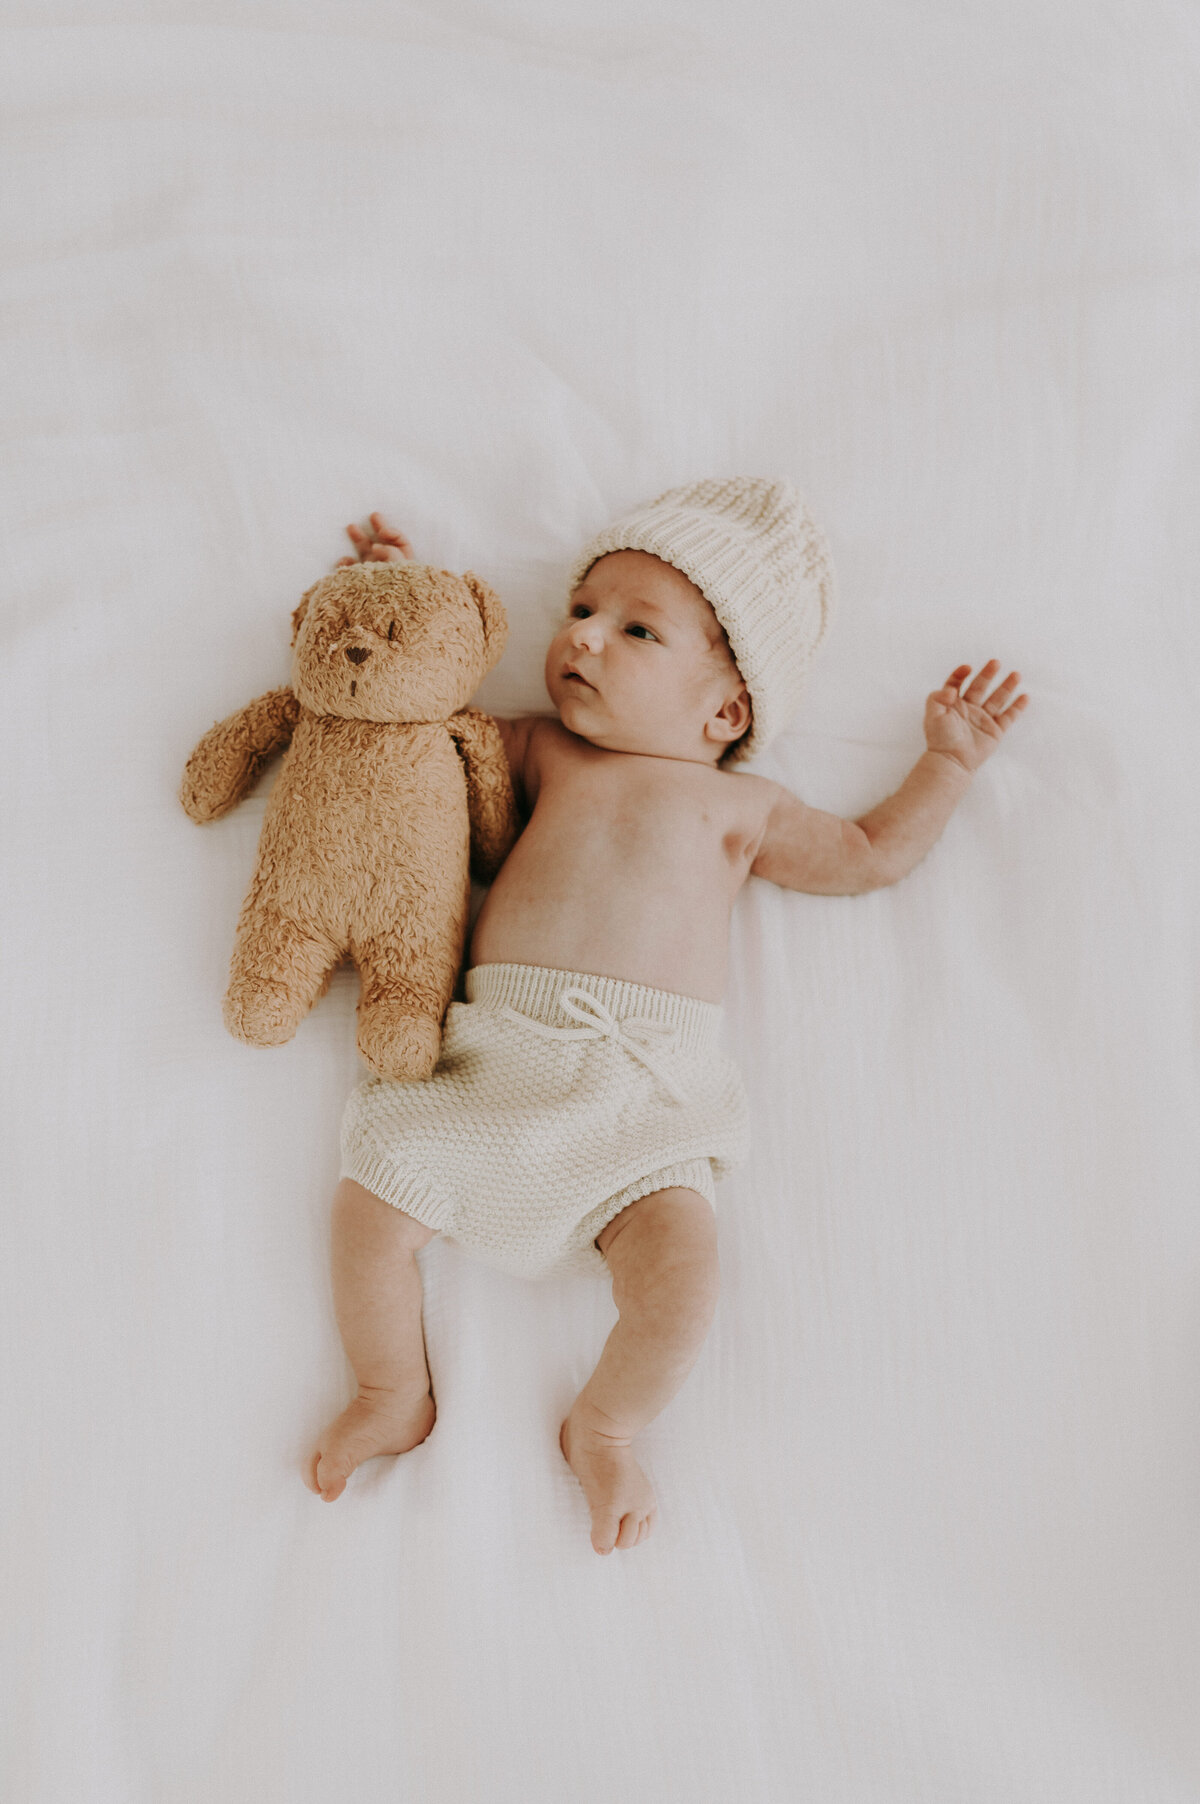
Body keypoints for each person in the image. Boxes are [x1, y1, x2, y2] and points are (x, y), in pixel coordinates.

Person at [305, 481, 1028, 1554]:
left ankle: (606, 1425)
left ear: (726, 710)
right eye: (581, 611)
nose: (583, 635)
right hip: (491, 1069)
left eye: (635, 627)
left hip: (641, 1107)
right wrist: (386, 605)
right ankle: (391, 1387)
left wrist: (948, 764)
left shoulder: (747, 808)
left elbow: (872, 855)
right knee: (370, 1203)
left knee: (685, 1279)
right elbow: (417, 737)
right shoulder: (544, 750)